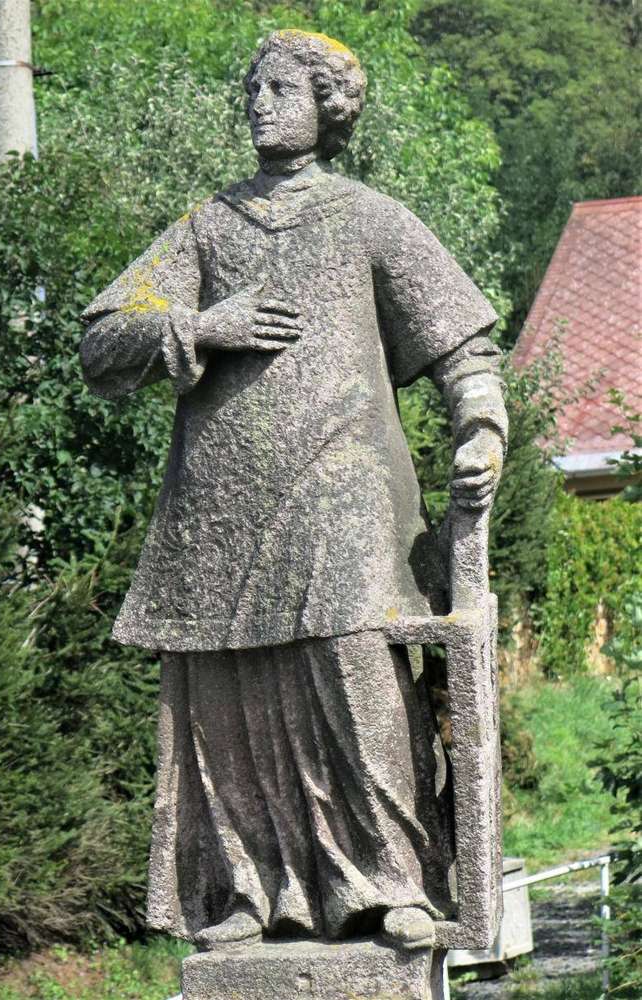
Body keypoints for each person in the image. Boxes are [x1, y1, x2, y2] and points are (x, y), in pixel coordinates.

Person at [80, 29, 508, 953]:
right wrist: (201, 325)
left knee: (358, 678)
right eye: (252, 89)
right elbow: (102, 342)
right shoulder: (209, 226)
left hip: (346, 492)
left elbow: (464, 346)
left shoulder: (368, 218)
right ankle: (246, 890)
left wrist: (482, 428)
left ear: (329, 105)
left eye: (281, 88)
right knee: (228, 705)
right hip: (218, 507)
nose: (259, 103)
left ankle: (395, 882)